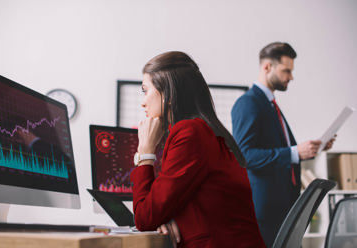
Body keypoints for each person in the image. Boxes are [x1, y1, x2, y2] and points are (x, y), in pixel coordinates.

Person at [130, 51, 266, 248]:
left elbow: (144, 217)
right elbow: (159, 208)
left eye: (145, 90)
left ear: (168, 93)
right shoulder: (207, 131)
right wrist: (164, 216)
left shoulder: (189, 133)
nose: (142, 101)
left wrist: (145, 152)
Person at [231, 42, 335, 247]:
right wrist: (295, 153)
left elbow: (282, 149)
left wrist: (313, 150)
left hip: (283, 207)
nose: (291, 77)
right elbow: (245, 156)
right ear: (267, 67)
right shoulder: (248, 103)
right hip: (265, 212)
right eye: (286, 70)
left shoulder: (270, 105)